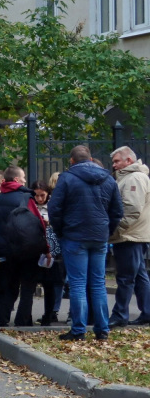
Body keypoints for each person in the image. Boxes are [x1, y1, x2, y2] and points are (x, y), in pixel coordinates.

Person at [49, 145, 123, 341]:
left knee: (78, 284)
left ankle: (78, 329)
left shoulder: (67, 178)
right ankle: (102, 329)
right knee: (98, 283)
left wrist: (60, 231)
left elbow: (54, 209)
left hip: (74, 236)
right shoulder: (108, 178)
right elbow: (117, 211)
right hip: (99, 236)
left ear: (72, 161)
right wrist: (106, 230)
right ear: (91, 159)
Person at [0, 166, 34, 327]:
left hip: (3, 251)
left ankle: (3, 318)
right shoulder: (25, 197)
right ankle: (23, 320)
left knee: (4, 286)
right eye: (23, 177)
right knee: (27, 286)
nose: (25, 180)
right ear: (16, 180)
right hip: (24, 250)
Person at [109, 146, 150, 327]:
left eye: (117, 161)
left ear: (129, 161)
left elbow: (131, 210)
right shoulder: (130, 177)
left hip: (130, 236)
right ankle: (147, 312)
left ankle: (120, 315)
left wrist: (116, 228)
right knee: (139, 275)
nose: (114, 165)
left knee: (125, 277)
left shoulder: (134, 178)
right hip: (133, 234)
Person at [30, 181, 65, 326]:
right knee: (31, 284)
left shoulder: (53, 206)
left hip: (51, 250)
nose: (39, 199)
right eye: (36, 195)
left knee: (50, 285)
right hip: (34, 248)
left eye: (42, 195)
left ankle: (49, 314)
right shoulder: (30, 205)